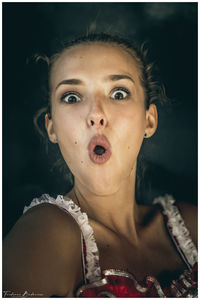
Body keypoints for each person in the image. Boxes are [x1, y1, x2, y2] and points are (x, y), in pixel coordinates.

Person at [3, 33, 197, 297]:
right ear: (52, 128)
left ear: (149, 120)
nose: (96, 114)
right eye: (71, 97)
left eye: (118, 93)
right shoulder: (44, 236)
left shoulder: (191, 225)